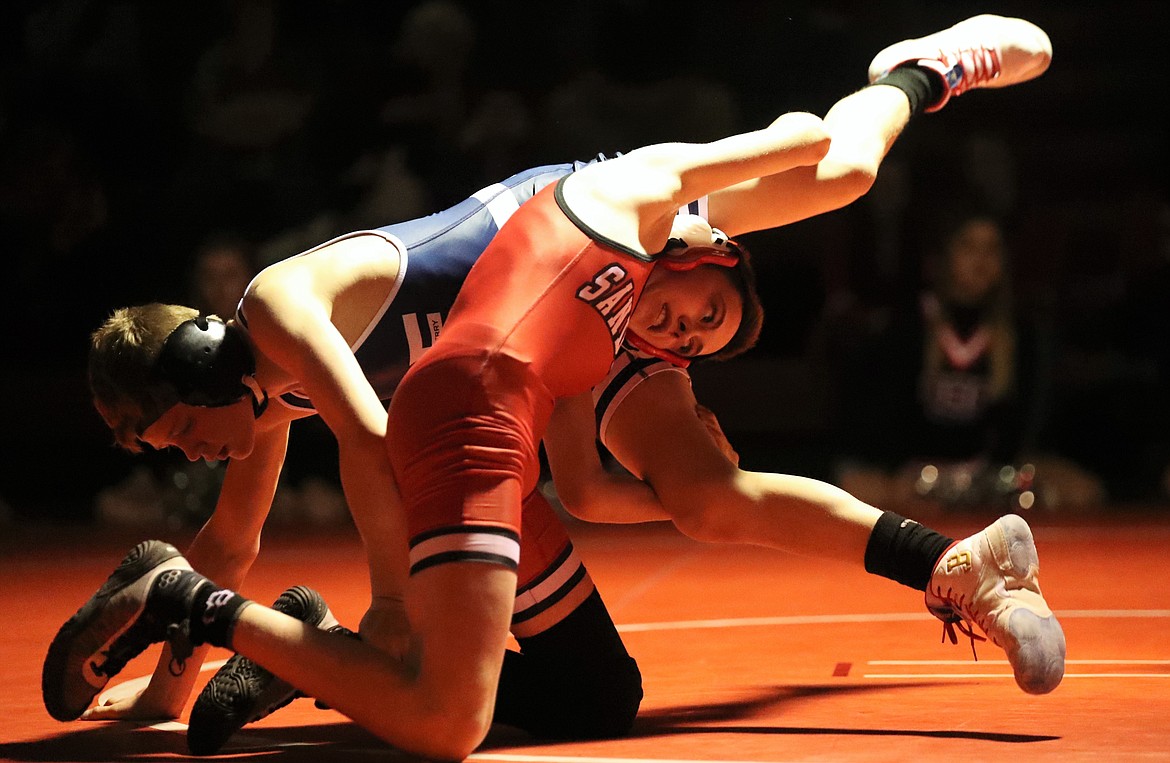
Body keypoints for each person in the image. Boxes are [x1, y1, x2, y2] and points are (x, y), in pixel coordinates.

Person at [44, 15, 1062, 760]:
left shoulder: (283, 305)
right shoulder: (260, 402)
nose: (190, 452)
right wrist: (149, 703)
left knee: (842, 176)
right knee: (700, 506)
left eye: (180, 430)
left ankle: (927, 68)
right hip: (518, 380)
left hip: (580, 246)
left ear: (200, 366)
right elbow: (229, 544)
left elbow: (369, 443)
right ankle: (324, 655)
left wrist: (395, 610)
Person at [833, 207, 1106, 511]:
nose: (981, 260)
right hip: (914, 475)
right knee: (851, 485)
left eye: (991, 249)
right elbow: (878, 415)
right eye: (968, 247)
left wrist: (1008, 474)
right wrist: (896, 474)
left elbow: (1025, 425)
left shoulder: (1020, 332)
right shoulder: (906, 325)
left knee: (1083, 490)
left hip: (989, 476)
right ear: (943, 257)